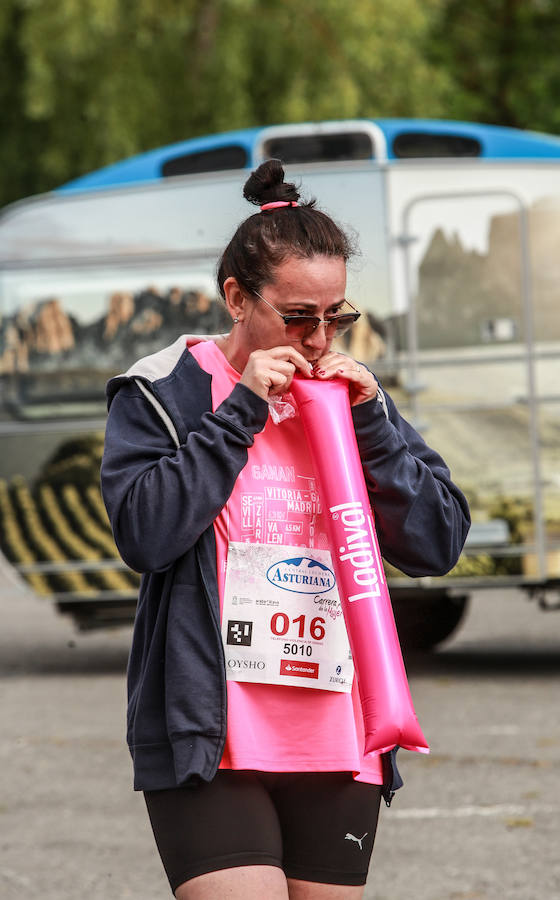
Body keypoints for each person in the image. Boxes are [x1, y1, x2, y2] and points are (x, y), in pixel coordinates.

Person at [101, 159, 470, 899]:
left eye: (338, 316)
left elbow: (437, 543)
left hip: (340, 734)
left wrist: (374, 426)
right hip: (214, 734)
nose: (318, 336)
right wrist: (239, 411)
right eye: (298, 316)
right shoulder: (167, 388)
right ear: (237, 298)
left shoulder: (352, 398)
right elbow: (144, 531)